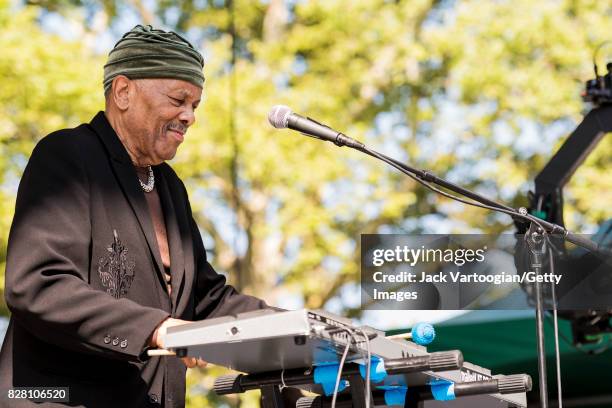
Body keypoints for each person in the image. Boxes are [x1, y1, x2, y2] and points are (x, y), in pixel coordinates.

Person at [0, 24, 268, 407]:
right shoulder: (69, 155)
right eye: (178, 99)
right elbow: (38, 284)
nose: (189, 116)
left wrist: (309, 329)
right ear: (124, 92)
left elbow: (207, 301)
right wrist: (156, 329)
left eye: (195, 106)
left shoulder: (170, 187)